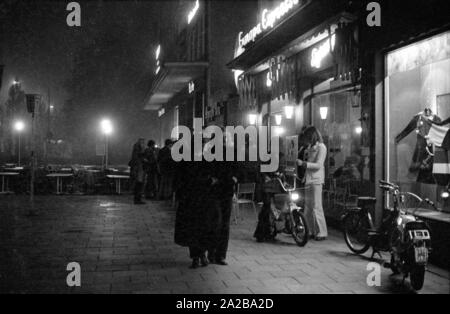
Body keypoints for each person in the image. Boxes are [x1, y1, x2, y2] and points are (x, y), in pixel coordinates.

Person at [174, 138, 220, 269]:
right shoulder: (208, 157)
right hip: (204, 199)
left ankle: (196, 256)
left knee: (193, 229)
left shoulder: (187, 157)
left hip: (191, 199)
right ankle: (202, 255)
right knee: (205, 228)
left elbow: (180, 177)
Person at [297, 126, 328, 241]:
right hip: (308, 179)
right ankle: (309, 230)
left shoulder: (322, 147)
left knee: (317, 206)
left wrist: (304, 164)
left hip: (316, 180)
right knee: (308, 206)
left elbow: (319, 165)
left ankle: (322, 232)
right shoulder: (310, 147)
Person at [129, 138, 146, 205]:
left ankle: (137, 199)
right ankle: (137, 199)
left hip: (137, 170)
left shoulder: (136, 152)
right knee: (138, 185)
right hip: (138, 170)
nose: (144, 145)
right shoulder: (138, 152)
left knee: (138, 185)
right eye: (143, 143)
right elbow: (138, 159)